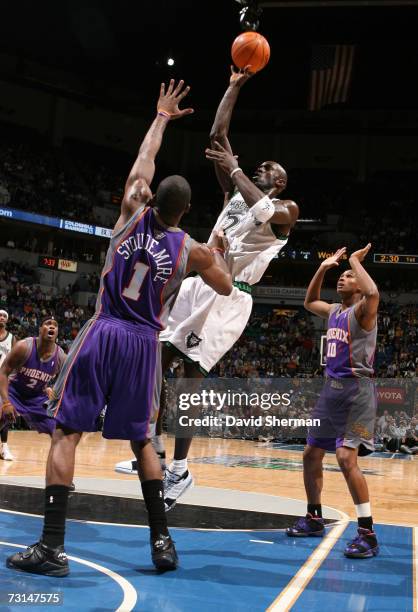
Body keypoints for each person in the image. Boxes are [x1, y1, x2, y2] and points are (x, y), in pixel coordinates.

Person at [6, 79, 232, 577]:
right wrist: (222, 252)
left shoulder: (131, 211)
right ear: (185, 212)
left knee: (65, 433)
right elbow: (226, 286)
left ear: (150, 199)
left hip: (104, 330)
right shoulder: (190, 250)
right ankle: (162, 542)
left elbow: (141, 162)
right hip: (144, 346)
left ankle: (51, 547)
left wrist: (162, 118)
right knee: (143, 443)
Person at [115, 67, 299, 510]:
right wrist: (234, 87)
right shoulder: (235, 195)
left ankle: (180, 468)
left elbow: (261, 205)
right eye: (256, 166)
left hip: (230, 295)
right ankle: (151, 446)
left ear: (280, 180)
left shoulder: (285, 209)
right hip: (201, 282)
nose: (259, 166)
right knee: (155, 357)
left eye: (267, 168)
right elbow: (218, 135)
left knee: (190, 377)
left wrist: (237, 169)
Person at [286, 244, 380, 558]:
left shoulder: (364, 311)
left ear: (359, 284)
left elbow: (374, 292)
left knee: (345, 458)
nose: (343, 279)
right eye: (341, 277)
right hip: (331, 391)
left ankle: (367, 532)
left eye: (349, 277)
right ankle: (314, 517)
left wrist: (355, 260)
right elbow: (309, 301)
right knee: (311, 454)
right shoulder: (334, 311)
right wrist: (324, 268)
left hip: (358, 393)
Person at [0, 316, 65, 440]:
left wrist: (53, 388)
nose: (52, 326)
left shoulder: (61, 357)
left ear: (57, 332)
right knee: (1, 416)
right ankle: (4, 446)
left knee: (59, 430)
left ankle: (57, 459)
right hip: (13, 392)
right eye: (47, 323)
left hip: (36, 398)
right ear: (40, 329)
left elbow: (68, 380)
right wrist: (6, 402)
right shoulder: (23, 346)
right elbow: (3, 372)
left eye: (55, 325)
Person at [0, 309, 17, 460]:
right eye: (0, 315)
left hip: (3, 381)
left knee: (4, 414)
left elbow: (17, 360)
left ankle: (4, 447)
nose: (2, 317)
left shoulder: (12, 338)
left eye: (4, 315)